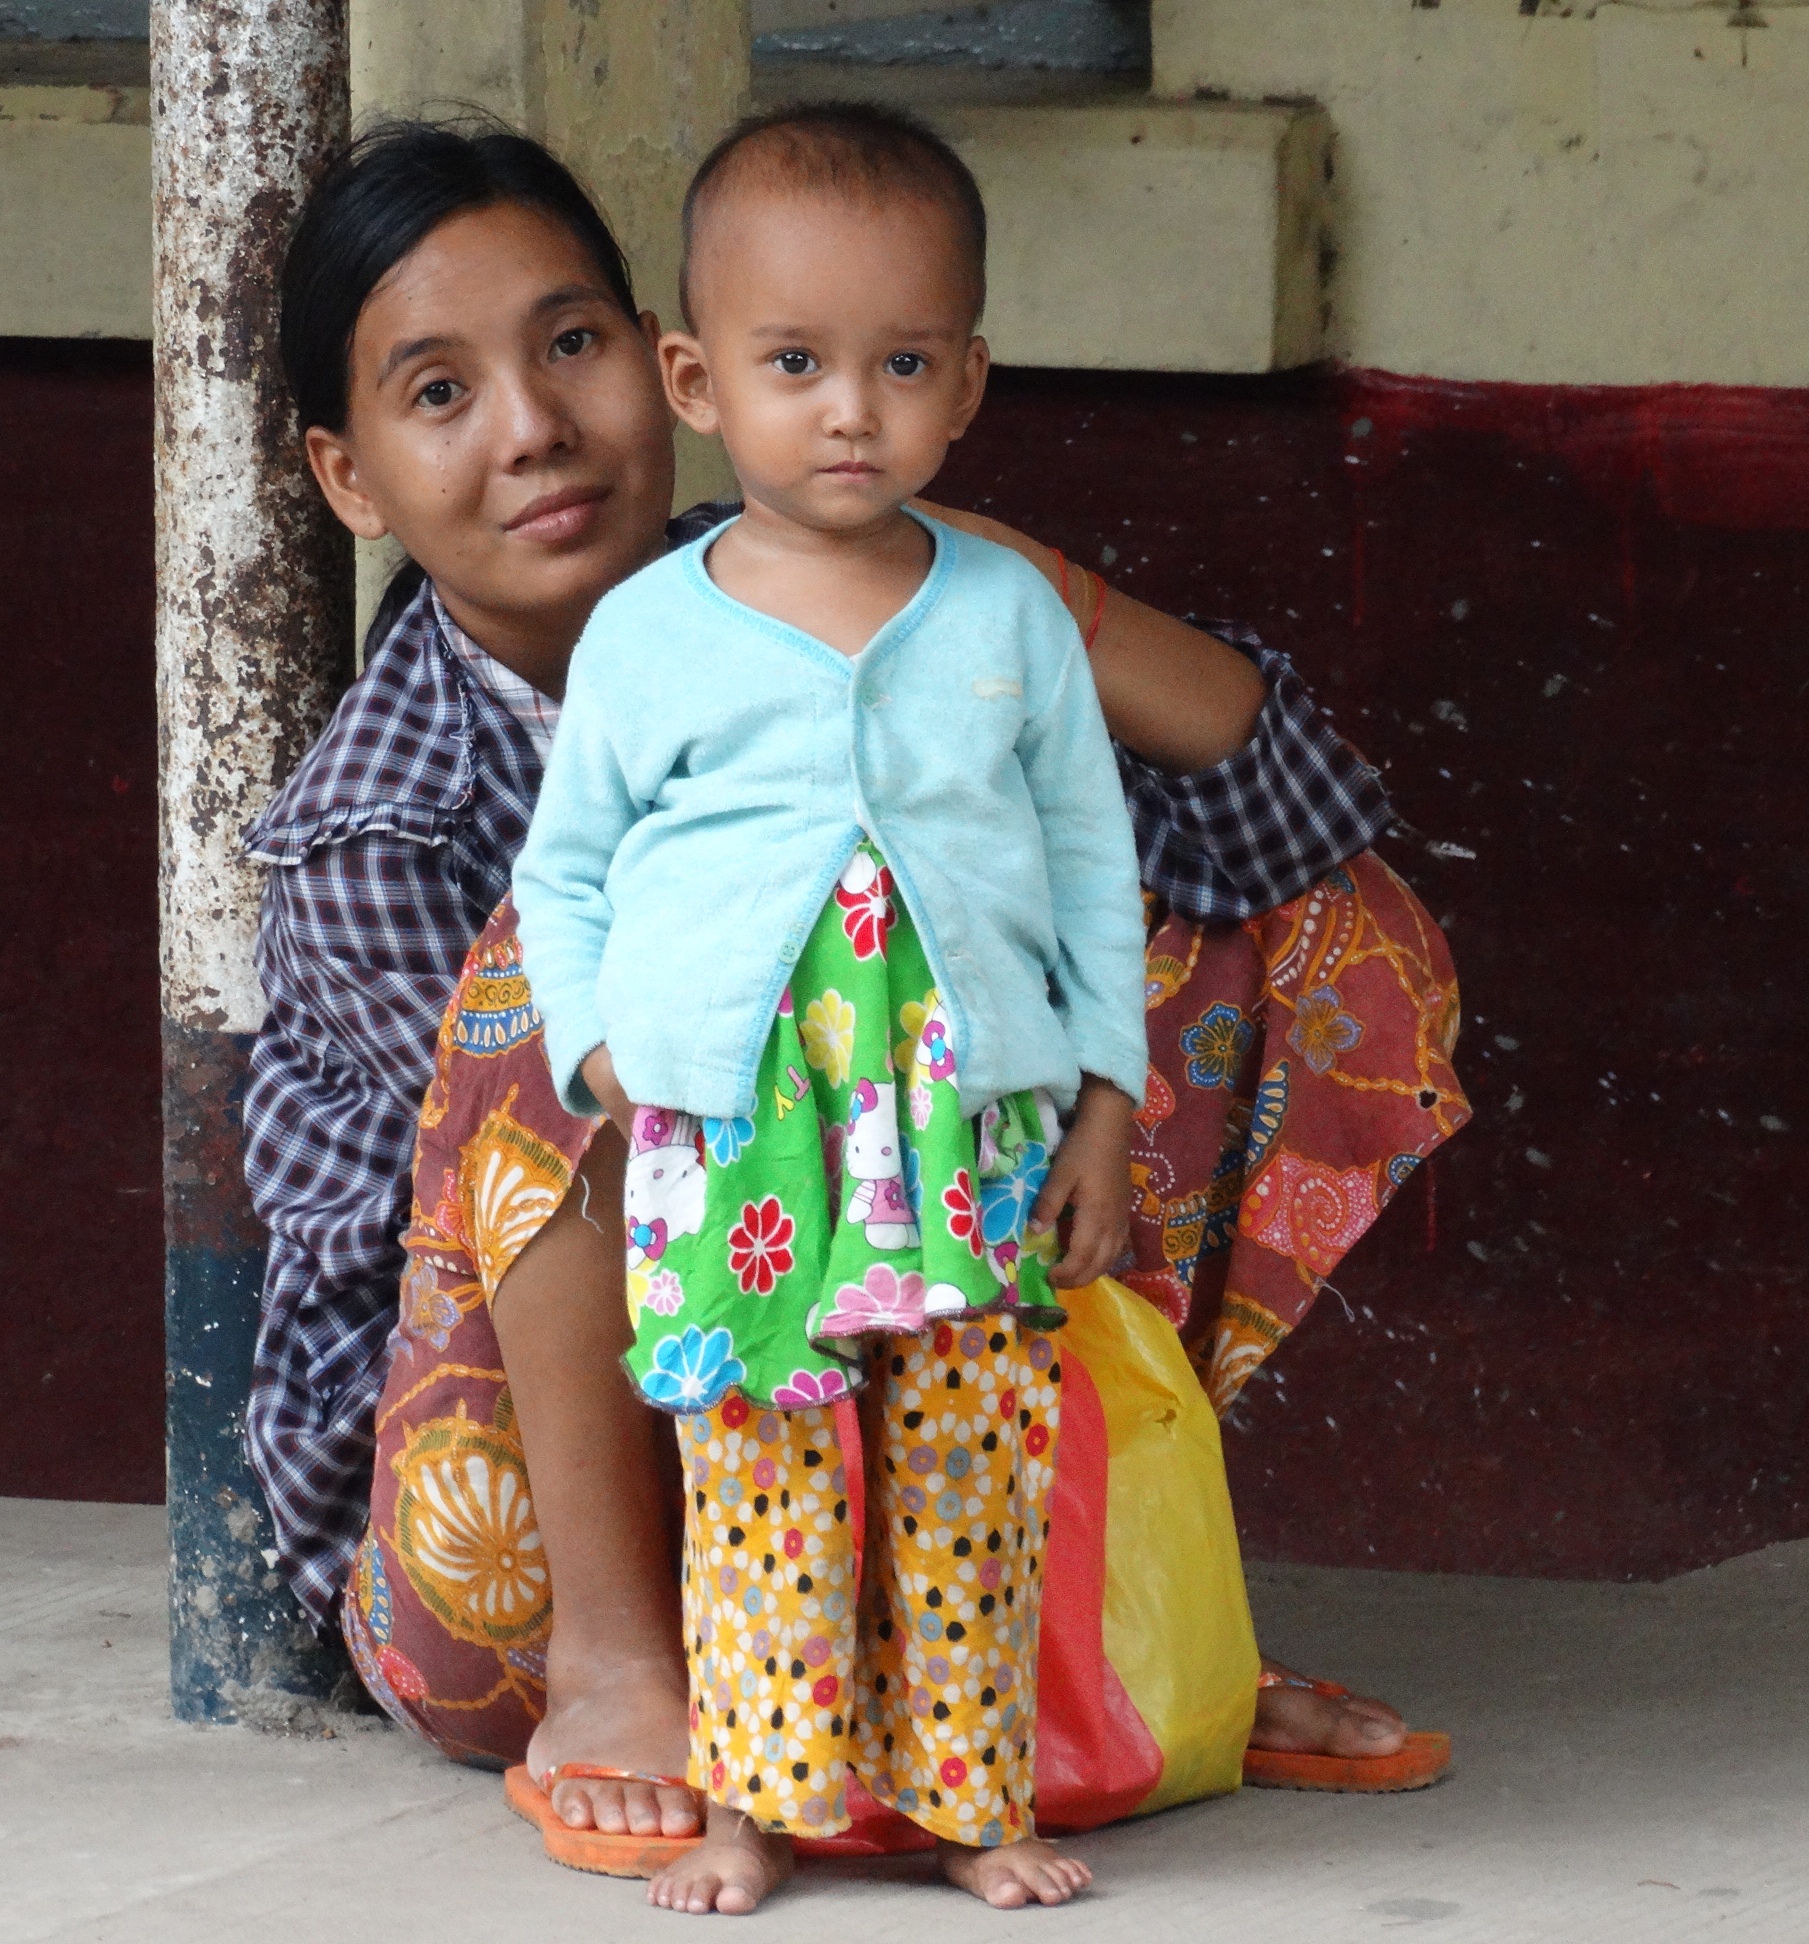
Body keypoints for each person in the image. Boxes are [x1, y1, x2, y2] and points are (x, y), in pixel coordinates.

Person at [241, 113, 1462, 1873]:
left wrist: (1008, 591)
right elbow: (651, 1158)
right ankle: (626, 1669)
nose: (531, 427)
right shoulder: (378, 821)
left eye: (569, 344)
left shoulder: (873, 580)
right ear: (350, 478)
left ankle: (1086, 1615)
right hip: (514, 1521)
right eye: (438, 393)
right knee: (571, 981)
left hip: (907, 1382)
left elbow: (1293, 822)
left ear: (667, 366)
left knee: (1279, 939)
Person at [506, 102, 1146, 1911]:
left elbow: (1091, 867)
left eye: (902, 364)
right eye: (794, 363)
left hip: (969, 1119)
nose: (849, 409)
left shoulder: (1008, 615)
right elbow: (565, 871)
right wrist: (600, 1051)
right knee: (756, 1469)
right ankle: (752, 1806)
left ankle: (971, 1803)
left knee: (969, 1471)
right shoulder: (647, 633)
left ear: (968, 384)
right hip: (739, 1129)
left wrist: (1106, 1102)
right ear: (697, 379)